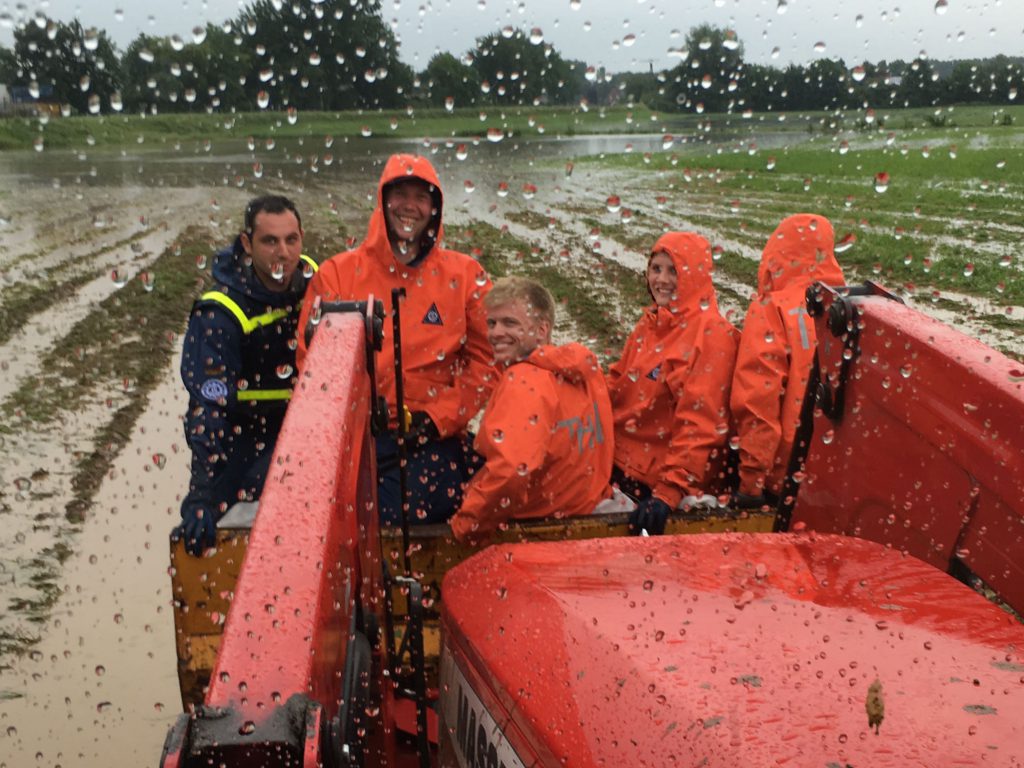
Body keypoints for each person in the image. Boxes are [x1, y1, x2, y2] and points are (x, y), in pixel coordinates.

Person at [296, 154, 493, 525]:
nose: (410, 206)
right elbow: (313, 366)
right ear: (382, 201)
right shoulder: (338, 274)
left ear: (435, 208)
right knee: (329, 514)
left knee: (410, 506)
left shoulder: (465, 275)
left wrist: (437, 419)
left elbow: (488, 363)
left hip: (431, 439)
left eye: (422, 197)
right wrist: (357, 421)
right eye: (400, 193)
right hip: (357, 439)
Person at [178, 195, 317, 555]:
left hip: (307, 431)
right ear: (246, 243)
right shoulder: (220, 313)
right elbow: (208, 408)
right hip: (243, 432)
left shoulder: (319, 286)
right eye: (269, 241)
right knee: (228, 533)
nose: (283, 253)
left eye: (291, 240)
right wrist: (202, 494)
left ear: (302, 237)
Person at [449, 277, 614, 544]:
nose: (496, 333)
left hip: (538, 526)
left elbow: (511, 472)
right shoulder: (584, 371)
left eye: (510, 323)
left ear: (541, 330)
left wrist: (466, 526)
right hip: (586, 510)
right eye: (492, 323)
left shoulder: (524, 382)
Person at [606, 232, 738, 536]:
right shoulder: (652, 322)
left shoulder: (712, 335)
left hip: (661, 484)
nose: (661, 280)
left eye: (673, 270)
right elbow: (617, 384)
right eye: (656, 268)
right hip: (623, 465)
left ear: (695, 276)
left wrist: (669, 490)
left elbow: (701, 423)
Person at [730, 213, 845, 505]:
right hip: (831, 479)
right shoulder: (847, 311)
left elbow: (759, 402)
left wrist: (750, 484)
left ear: (775, 254)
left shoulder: (772, 309)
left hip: (782, 481)